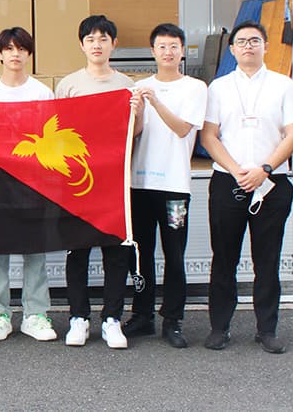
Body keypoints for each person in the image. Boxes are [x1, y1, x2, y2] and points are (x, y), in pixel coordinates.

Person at [200, 20, 293, 354]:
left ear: (265, 46)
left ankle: (267, 329)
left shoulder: (283, 85)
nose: (248, 46)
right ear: (232, 50)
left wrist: (265, 169)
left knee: (267, 258)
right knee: (224, 257)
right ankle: (220, 327)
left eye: (254, 41)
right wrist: (238, 172)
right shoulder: (218, 87)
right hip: (229, 181)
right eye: (241, 41)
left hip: (272, 183)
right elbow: (209, 136)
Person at [55, 14, 137, 349]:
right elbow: (57, 130)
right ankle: (78, 317)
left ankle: (112, 318)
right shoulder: (68, 84)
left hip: (114, 180)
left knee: (116, 252)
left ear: (113, 44)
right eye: (90, 39)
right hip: (78, 180)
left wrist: (137, 112)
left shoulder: (127, 85)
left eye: (103, 38)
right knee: (78, 251)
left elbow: (135, 133)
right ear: (81, 45)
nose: (97, 45)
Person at [123, 24, 207, 348]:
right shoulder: (139, 87)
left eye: (174, 46)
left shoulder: (195, 88)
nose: (168, 52)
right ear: (153, 50)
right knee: (140, 254)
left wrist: (155, 102)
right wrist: (140, 114)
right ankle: (142, 315)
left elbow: (183, 129)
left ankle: (173, 319)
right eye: (162, 46)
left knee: (175, 254)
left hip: (174, 187)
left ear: (182, 51)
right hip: (140, 184)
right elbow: (135, 134)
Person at [0, 27, 57, 342]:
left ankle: (36, 314)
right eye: (8, 48)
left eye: (21, 48)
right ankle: (0, 313)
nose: (15, 54)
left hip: (34, 181)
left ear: (29, 53)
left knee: (35, 249)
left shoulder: (42, 92)